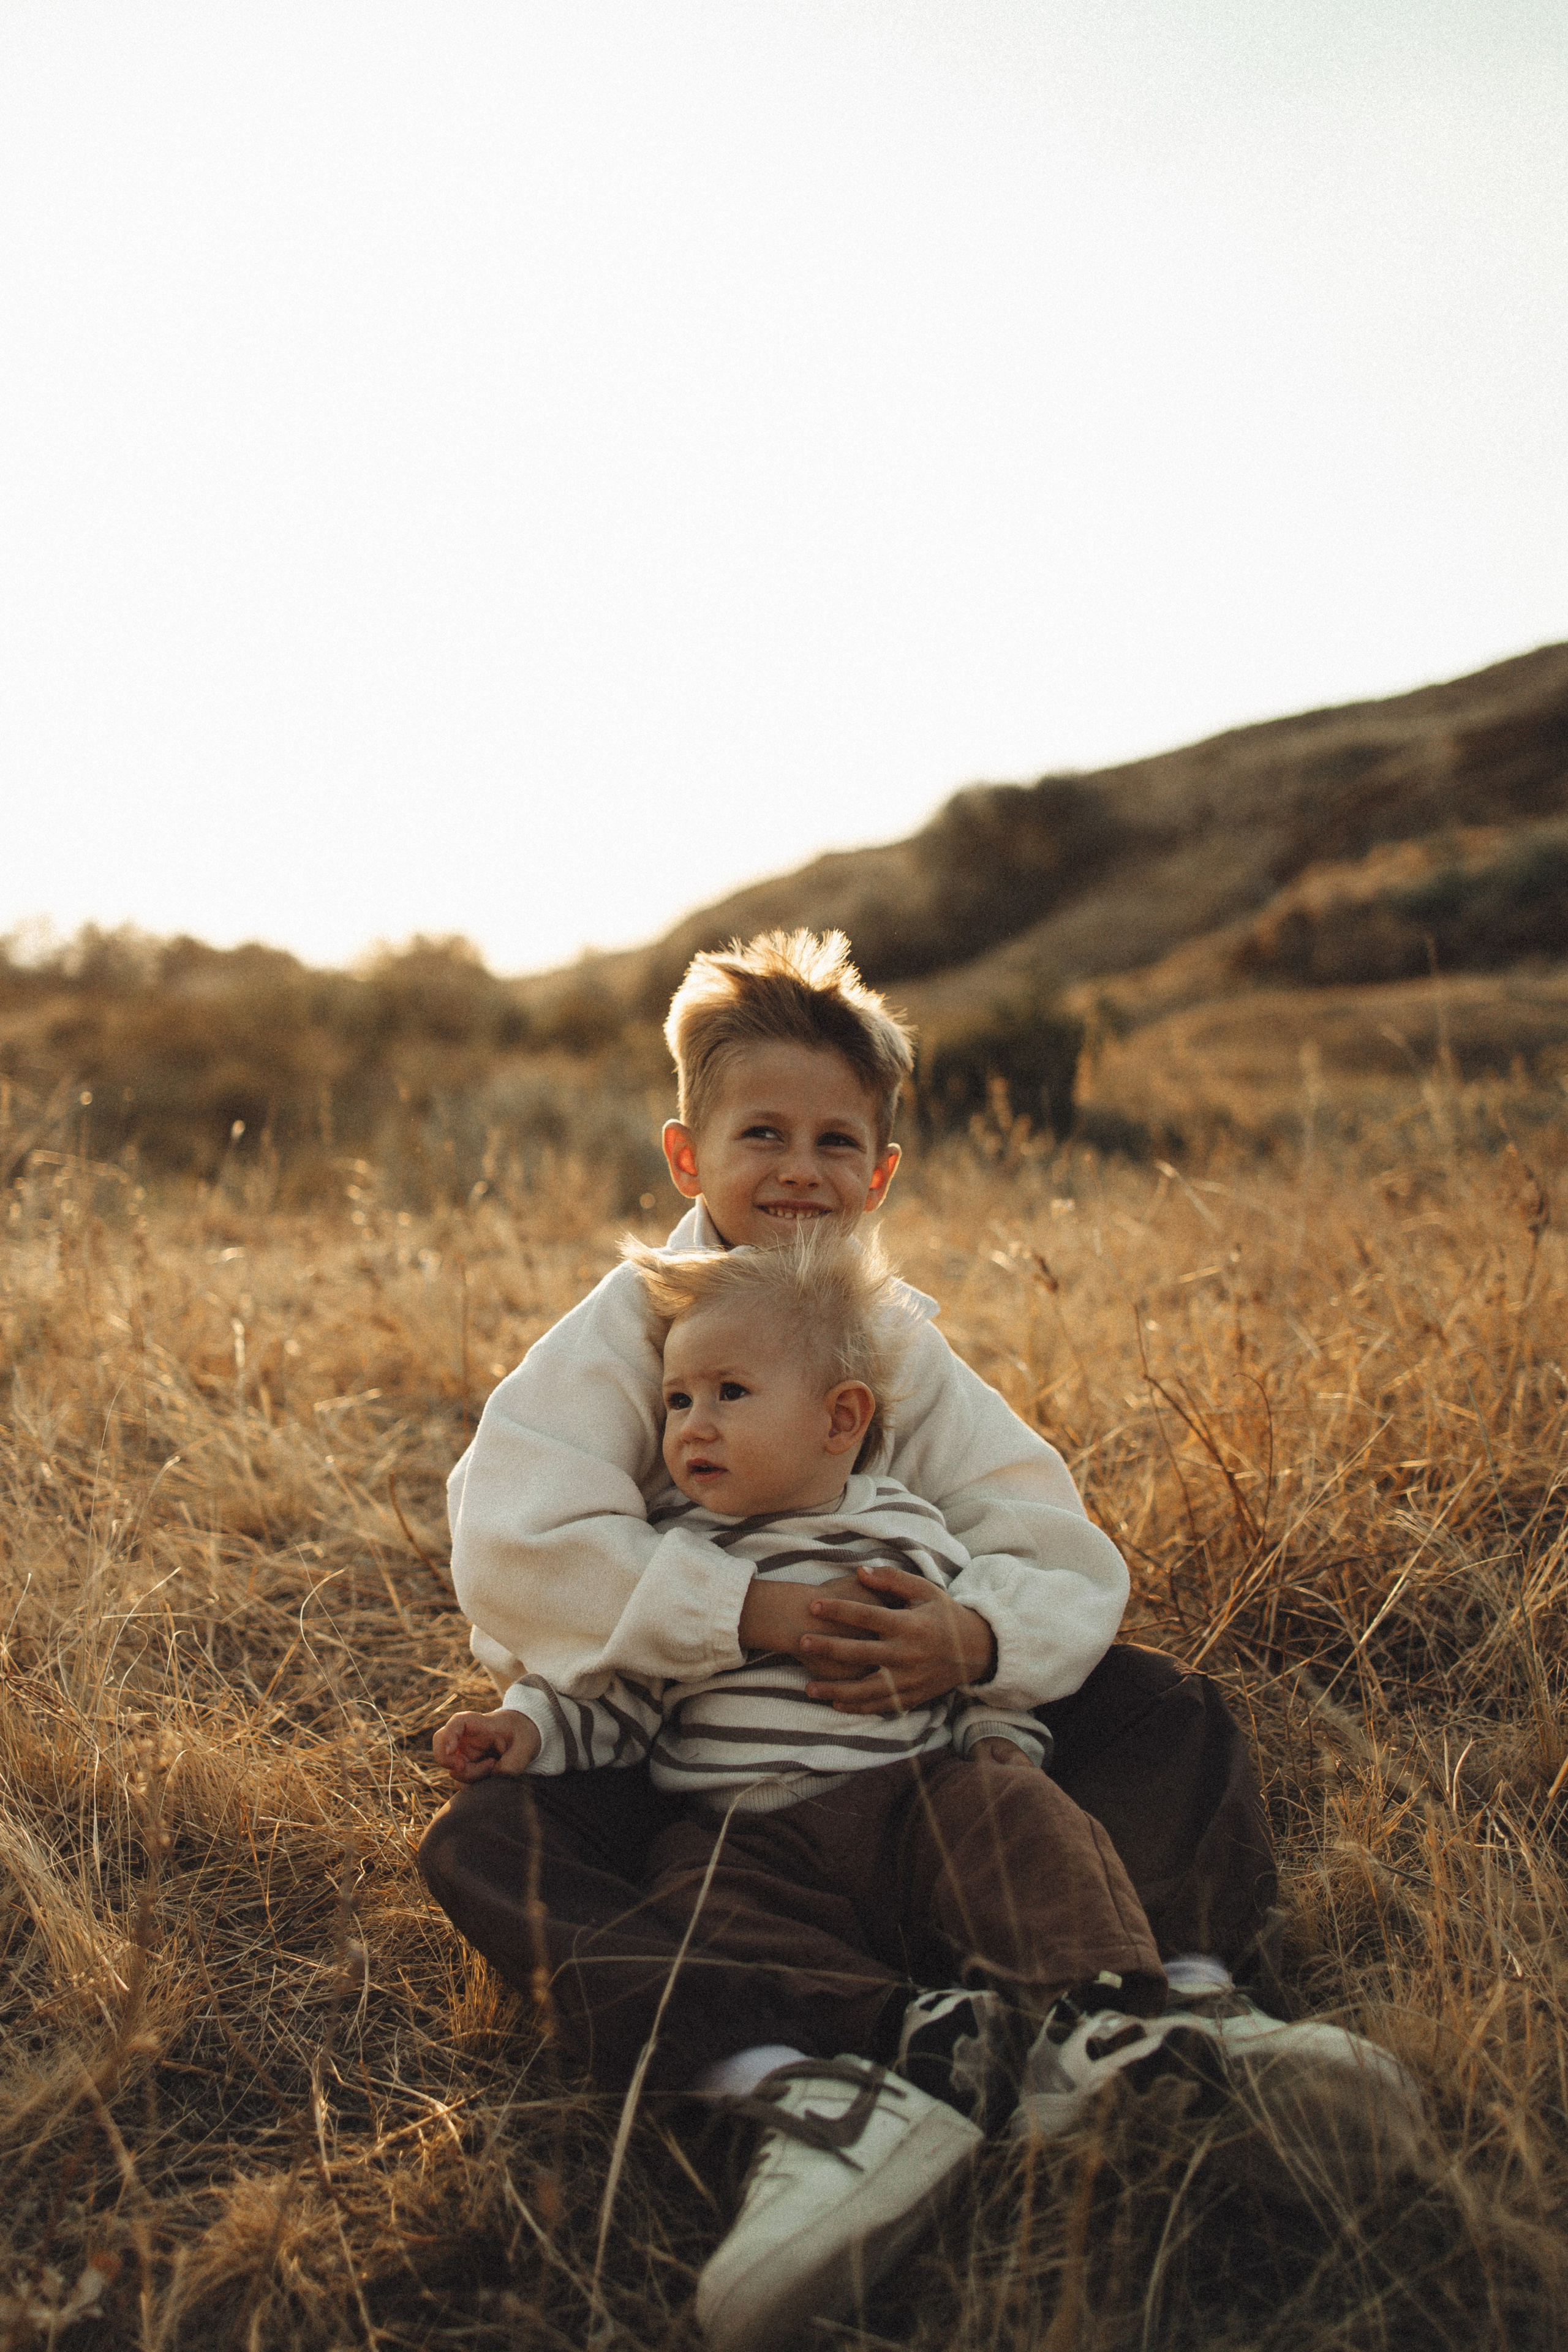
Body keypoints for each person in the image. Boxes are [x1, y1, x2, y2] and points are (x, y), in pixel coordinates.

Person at [418, 929, 1285, 2343]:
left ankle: (1148, 2014)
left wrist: (968, 1637)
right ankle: (841, 2075)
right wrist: (737, 1609)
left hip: (914, 1747)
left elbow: (1045, 1539)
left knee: (1158, 1711)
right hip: (687, 1760)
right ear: (688, 1155)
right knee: (483, 1843)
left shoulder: (892, 1344)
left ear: (880, 1174)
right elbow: (512, 1548)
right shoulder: (624, 1331)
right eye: (761, 1132)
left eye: (837, 1141)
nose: (801, 1169)